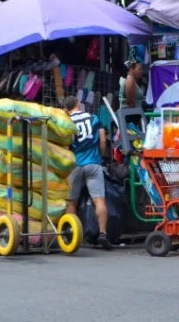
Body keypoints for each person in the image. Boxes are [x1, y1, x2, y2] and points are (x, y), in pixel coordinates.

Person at [62, 95, 111, 250]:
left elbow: (65, 145)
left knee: (71, 201)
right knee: (99, 201)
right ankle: (103, 233)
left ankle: (74, 235)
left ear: (65, 109)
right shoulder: (94, 118)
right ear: (78, 104)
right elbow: (102, 141)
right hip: (94, 164)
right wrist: (100, 156)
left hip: (75, 164)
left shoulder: (67, 122)